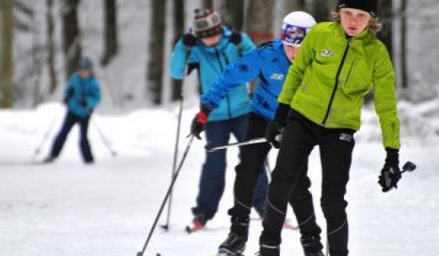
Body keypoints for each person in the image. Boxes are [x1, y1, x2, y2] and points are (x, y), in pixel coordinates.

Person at [256, 1, 402, 255]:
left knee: (332, 201)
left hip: (340, 129)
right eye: (348, 13)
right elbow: (297, 72)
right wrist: (280, 115)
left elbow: (386, 105)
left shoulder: (376, 53)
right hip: (302, 118)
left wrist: (392, 154)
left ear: (371, 18)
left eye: (360, 15)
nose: (353, 21)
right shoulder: (320, 34)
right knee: (281, 181)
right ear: (339, 13)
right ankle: (268, 248)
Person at [191, 11, 325, 256]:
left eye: (301, 47)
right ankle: (237, 235)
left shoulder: (321, 61)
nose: (294, 53)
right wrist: (205, 110)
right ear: (282, 41)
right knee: (247, 169)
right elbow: (230, 76)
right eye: (289, 46)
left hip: (297, 123)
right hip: (262, 116)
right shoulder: (267, 55)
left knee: (296, 181)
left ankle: (312, 243)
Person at [169, 9, 262, 230]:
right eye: (205, 36)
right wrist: (183, 45)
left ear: (220, 29)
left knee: (254, 159)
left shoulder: (236, 43)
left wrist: (245, 44)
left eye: (213, 34)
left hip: (243, 110)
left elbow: (256, 64)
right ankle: (203, 213)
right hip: (214, 115)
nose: (209, 40)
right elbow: (176, 72)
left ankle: (266, 208)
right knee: (214, 163)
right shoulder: (197, 50)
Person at [44, 57, 101, 164]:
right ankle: (53, 154)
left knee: (83, 137)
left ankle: (89, 159)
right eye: (81, 71)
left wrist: (88, 102)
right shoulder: (75, 78)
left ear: (90, 71)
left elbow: (97, 98)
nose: (83, 73)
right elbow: (69, 89)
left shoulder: (93, 83)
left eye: (85, 71)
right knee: (63, 133)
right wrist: (67, 95)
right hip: (72, 110)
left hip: (84, 113)